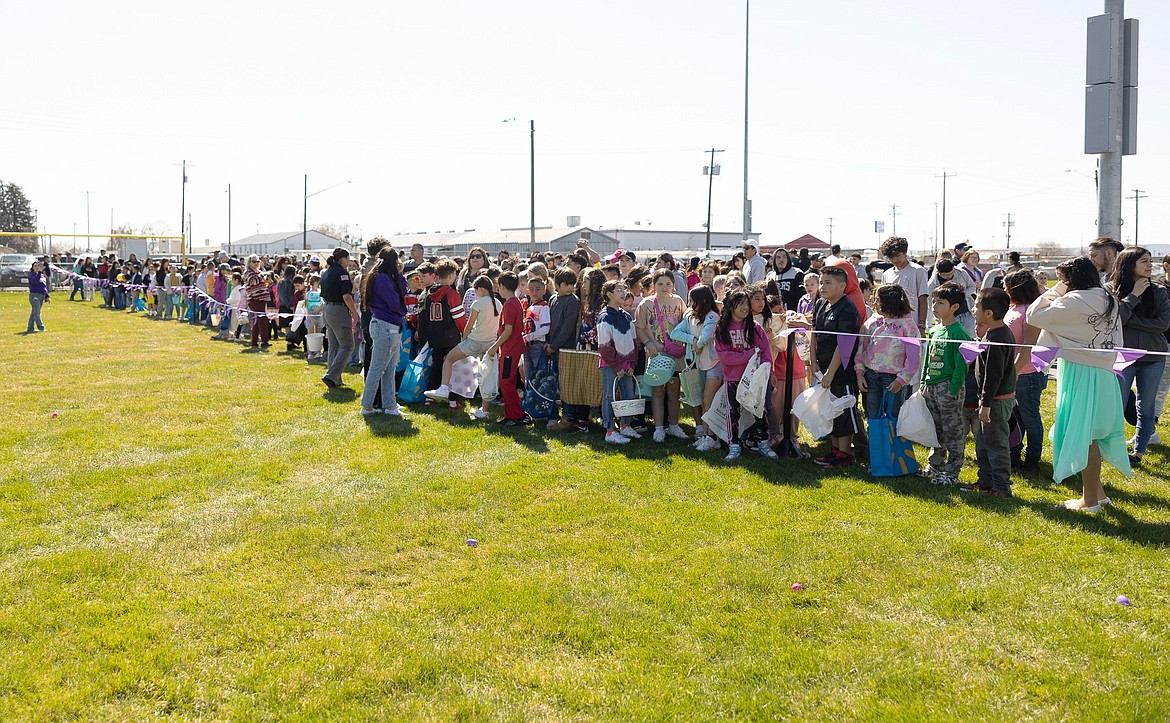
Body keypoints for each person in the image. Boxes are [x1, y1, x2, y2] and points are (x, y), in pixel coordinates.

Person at [1028, 256, 1130, 511]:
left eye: (1064, 278)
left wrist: (1058, 288)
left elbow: (1034, 314)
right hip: (1103, 372)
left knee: (1085, 435)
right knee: (1091, 433)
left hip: (1081, 371)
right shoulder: (1108, 298)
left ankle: (1090, 501)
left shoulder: (1075, 300)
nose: (1061, 282)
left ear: (1071, 280)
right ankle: (1099, 494)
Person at [1106, 246, 1170, 465]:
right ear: (1129, 264)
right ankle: (1113, 447)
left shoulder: (1159, 291)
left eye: (1150, 260)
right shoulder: (1111, 290)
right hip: (1123, 356)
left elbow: (1163, 324)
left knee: (1147, 405)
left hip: (1153, 357)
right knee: (1119, 403)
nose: (1150, 265)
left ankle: (1138, 452)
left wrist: (1132, 321)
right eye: (1144, 261)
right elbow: (1115, 319)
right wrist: (1133, 297)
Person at [960, 288, 1017, 497]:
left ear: (989, 313)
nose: (974, 309)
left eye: (977, 306)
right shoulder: (994, 333)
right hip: (991, 400)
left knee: (996, 445)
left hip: (996, 401)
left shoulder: (997, 338)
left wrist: (985, 404)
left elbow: (993, 376)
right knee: (984, 444)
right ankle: (986, 481)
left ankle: (1001, 487)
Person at [919, 283, 973, 486]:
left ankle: (952, 471)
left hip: (948, 387)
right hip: (931, 386)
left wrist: (954, 387)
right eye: (933, 301)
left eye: (940, 303)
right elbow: (928, 358)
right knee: (936, 428)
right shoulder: (934, 331)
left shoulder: (958, 332)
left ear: (954, 307)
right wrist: (924, 380)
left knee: (953, 430)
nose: (934, 306)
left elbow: (962, 363)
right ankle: (935, 465)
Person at [715, 288, 776, 461]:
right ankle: (734, 446)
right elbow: (725, 357)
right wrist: (748, 355)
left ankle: (763, 443)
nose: (745, 308)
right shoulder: (722, 329)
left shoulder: (755, 328)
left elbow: (765, 352)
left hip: (755, 380)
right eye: (740, 304)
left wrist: (768, 371)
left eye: (746, 304)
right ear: (731, 306)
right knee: (733, 413)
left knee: (759, 411)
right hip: (733, 378)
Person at [812, 266, 863, 469]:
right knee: (827, 410)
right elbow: (814, 333)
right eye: (821, 282)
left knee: (842, 411)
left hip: (842, 373)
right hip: (822, 369)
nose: (822, 287)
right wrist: (813, 362)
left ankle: (845, 454)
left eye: (828, 283)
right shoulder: (820, 304)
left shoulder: (848, 309)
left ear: (842, 286)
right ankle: (834, 450)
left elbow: (844, 345)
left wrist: (831, 373)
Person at [425, 275, 501, 405]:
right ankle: (484, 403)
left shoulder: (478, 303)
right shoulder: (498, 304)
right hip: (490, 344)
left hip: (475, 341)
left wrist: (463, 340)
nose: (475, 294)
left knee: (448, 359)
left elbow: (468, 326)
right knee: (485, 373)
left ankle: (444, 388)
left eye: (475, 291)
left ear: (481, 289)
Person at [635, 269, 688, 442]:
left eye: (668, 284)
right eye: (660, 284)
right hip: (656, 354)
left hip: (675, 355)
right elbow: (640, 327)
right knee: (658, 389)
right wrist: (649, 344)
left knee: (674, 389)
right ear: (653, 285)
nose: (664, 287)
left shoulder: (679, 302)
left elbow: (685, 324)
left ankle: (673, 425)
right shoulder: (646, 304)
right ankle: (658, 427)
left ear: (673, 285)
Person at [1002, 268, 1047, 471]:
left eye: (1006, 286)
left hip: (1026, 374)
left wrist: (1014, 372)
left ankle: (1033, 459)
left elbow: (1028, 346)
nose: (1003, 288)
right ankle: (1015, 452)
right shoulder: (1013, 308)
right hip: (1013, 372)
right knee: (1016, 416)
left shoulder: (1030, 312)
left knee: (1031, 418)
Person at [855, 284, 918, 420]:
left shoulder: (908, 326)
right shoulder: (871, 323)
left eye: (878, 301)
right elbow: (862, 348)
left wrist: (901, 381)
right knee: (872, 414)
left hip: (894, 378)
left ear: (891, 302)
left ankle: (893, 441)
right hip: (871, 376)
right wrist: (860, 373)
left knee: (894, 415)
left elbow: (913, 358)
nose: (874, 303)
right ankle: (876, 440)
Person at [670, 284, 721, 451]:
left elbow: (706, 336)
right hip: (699, 365)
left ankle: (712, 437)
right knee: (703, 401)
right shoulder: (690, 317)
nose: (690, 303)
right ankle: (706, 435)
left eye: (693, 300)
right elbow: (675, 333)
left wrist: (698, 342)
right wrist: (693, 341)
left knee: (708, 401)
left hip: (714, 364)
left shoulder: (712, 316)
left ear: (703, 300)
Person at [359, 247, 408, 417]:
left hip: (386, 325)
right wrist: (403, 310)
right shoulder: (383, 279)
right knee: (378, 368)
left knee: (388, 368)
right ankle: (367, 405)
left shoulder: (380, 277)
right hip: (386, 326)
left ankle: (390, 405)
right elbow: (396, 302)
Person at [416, 259, 467, 400]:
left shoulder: (429, 293)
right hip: (450, 336)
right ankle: (452, 400)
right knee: (453, 366)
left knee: (437, 365)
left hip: (435, 336)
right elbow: (459, 318)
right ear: (451, 275)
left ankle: (430, 396)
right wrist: (465, 331)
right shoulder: (452, 294)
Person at [597, 279, 641, 444]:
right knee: (609, 396)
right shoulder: (605, 317)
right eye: (619, 290)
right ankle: (610, 431)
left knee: (628, 395)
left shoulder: (626, 316)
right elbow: (604, 346)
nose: (623, 293)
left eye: (624, 290)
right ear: (609, 294)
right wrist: (616, 366)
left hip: (627, 364)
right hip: (610, 365)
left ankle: (625, 426)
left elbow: (633, 341)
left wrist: (632, 363)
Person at [485, 272, 528, 427]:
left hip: (510, 349)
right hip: (511, 348)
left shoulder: (510, 304)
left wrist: (494, 347)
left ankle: (518, 415)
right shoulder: (515, 301)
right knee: (507, 382)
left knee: (506, 382)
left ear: (502, 286)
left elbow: (508, 330)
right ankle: (512, 415)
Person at [545, 268, 585, 431]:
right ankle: (556, 415)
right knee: (556, 384)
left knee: (567, 385)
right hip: (552, 349)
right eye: (566, 284)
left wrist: (554, 345)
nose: (570, 287)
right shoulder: (553, 299)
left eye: (572, 284)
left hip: (566, 350)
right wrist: (549, 344)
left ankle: (568, 417)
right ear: (557, 285)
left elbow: (567, 328)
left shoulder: (573, 301)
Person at [320, 248, 359, 389]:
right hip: (339, 310)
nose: (349, 262)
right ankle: (331, 376)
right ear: (343, 259)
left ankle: (335, 379)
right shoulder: (341, 273)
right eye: (348, 259)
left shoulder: (327, 272)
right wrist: (354, 313)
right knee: (348, 345)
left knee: (334, 347)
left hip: (328, 309)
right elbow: (346, 296)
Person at [880, 236, 929, 334]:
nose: (894, 259)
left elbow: (923, 299)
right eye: (891, 256)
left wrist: (921, 325)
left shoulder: (918, 271)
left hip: (912, 326)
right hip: (891, 327)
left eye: (897, 255)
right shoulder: (886, 274)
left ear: (905, 252)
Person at [242, 255, 272, 350]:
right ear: (249, 263)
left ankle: (254, 341)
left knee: (257, 322)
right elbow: (253, 281)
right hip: (255, 300)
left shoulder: (258, 273)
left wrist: (266, 279)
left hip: (262, 300)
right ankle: (264, 341)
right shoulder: (248, 273)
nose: (256, 263)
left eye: (257, 261)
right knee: (263, 321)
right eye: (253, 262)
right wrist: (262, 277)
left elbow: (266, 282)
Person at [766, 248, 804, 314]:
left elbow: (801, 297)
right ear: (774, 260)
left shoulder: (796, 273)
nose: (781, 260)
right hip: (775, 316)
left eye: (784, 257)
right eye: (778, 257)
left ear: (788, 259)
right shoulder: (770, 276)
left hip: (792, 314)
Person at [26, 260, 49, 332]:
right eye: (35, 266)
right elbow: (35, 281)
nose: (37, 267)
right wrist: (39, 273)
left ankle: (30, 328)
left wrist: (47, 296)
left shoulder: (41, 276)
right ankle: (41, 327)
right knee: (37, 313)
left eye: (38, 266)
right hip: (34, 295)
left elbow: (44, 286)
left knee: (34, 312)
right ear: (32, 267)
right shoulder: (31, 275)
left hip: (41, 295)